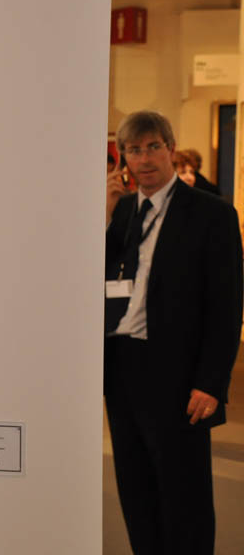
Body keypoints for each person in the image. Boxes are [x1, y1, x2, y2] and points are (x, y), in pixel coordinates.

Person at [105, 110, 242, 554]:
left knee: (185, 495)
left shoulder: (212, 214)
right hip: (122, 370)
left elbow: (225, 307)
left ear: (171, 149)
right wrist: (103, 220)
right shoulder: (120, 212)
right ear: (123, 157)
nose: (144, 159)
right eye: (134, 150)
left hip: (179, 376)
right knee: (136, 488)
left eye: (153, 147)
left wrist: (211, 382)